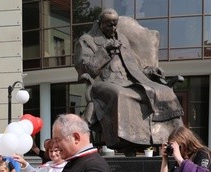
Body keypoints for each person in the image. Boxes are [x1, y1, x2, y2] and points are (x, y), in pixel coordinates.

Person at [74, 8, 183, 148]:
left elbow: (133, 65)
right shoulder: (86, 40)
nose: (113, 28)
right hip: (103, 83)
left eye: (115, 24)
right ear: (99, 23)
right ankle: (126, 141)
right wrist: (105, 50)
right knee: (120, 94)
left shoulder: (122, 38)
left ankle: (170, 138)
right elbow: (85, 68)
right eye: (109, 24)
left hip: (129, 81)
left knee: (165, 91)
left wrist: (150, 72)